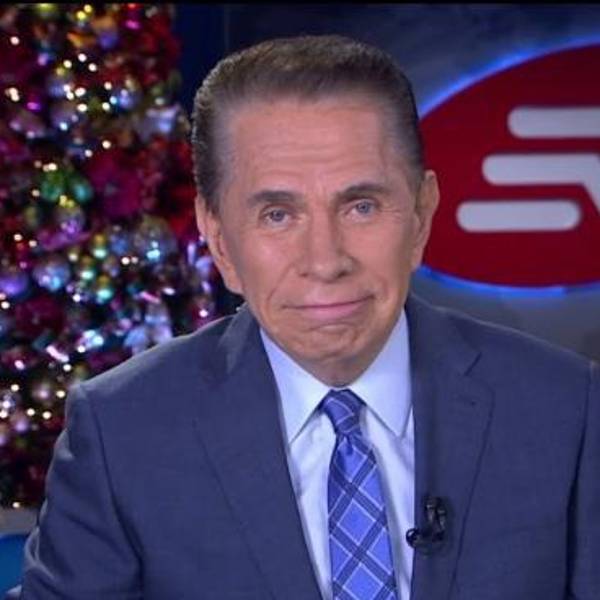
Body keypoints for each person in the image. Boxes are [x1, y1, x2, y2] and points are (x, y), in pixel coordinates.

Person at [8, 35, 599, 600]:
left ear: (421, 216)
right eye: (277, 215)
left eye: (361, 206)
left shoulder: (566, 409)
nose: (325, 261)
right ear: (219, 240)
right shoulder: (123, 432)